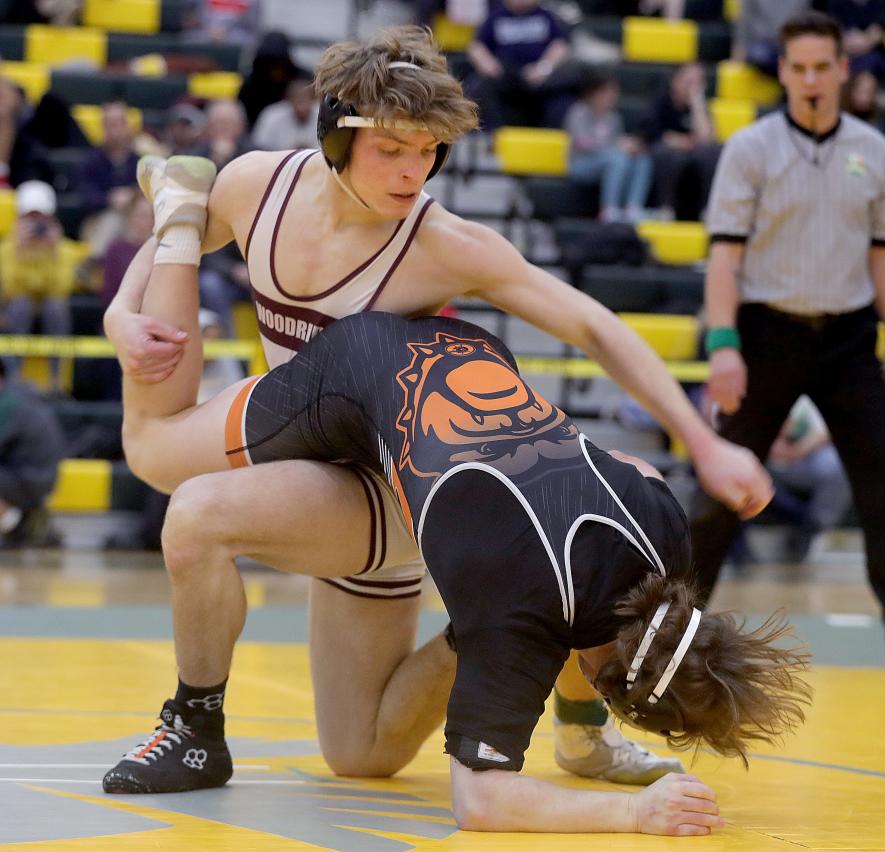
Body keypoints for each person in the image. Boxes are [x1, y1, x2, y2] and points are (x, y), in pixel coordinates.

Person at [102, 27, 773, 794]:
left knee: (186, 501)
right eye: (392, 149)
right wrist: (122, 316)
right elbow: (157, 259)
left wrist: (703, 442)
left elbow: (592, 324)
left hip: (394, 490)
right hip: (306, 456)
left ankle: (194, 730)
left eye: (428, 150)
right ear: (335, 134)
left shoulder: (442, 241)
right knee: (363, 754)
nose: (412, 171)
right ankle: (506, 629)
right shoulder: (258, 183)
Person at [104, 302, 811, 834]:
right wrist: (632, 818)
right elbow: (480, 801)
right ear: (607, 684)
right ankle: (195, 728)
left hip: (476, 361)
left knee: (363, 756)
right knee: (164, 470)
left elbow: (632, 469)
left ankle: (580, 730)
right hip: (353, 369)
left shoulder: (666, 534)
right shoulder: (523, 607)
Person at [689, 10, 885, 670]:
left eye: (822, 68)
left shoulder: (872, 150)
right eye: (798, 68)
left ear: (843, 71)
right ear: (783, 72)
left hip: (847, 338)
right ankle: (673, 630)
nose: (810, 80)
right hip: (765, 335)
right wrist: (723, 345)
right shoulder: (750, 149)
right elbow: (723, 256)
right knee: (726, 486)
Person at [0, 181, 76, 383]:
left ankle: (57, 382)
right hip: (16, 309)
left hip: (50, 307)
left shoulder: (64, 249)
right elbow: (11, 289)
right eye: (30, 218)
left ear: (51, 218)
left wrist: (53, 252)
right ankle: (13, 381)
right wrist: (21, 252)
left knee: (56, 307)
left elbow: (61, 289)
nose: (36, 224)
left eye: (40, 218)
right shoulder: (8, 249)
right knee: (20, 305)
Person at [466, 0, 576, 130]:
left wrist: (543, 68)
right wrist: (488, 64)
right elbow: (477, 46)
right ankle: (492, 136)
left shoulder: (545, 16)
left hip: (540, 77)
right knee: (478, 86)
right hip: (505, 75)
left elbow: (560, 45)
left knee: (565, 90)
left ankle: (554, 138)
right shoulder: (496, 16)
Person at [767, 395, 852, 563]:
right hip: (762, 460)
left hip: (804, 459)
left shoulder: (814, 392)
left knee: (836, 464)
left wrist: (799, 450)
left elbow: (827, 430)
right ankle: (739, 552)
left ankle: (815, 526)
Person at [564, 71, 653, 224]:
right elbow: (582, 143)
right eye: (606, 92)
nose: (611, 97)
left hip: (607, 160)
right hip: (581, 163)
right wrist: (615, 146)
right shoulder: (579, 112)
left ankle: (633, 208)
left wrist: (629, 146)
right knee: (617, 158)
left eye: (613, 93)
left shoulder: (613, 117)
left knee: (642, 159)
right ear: (594, 93)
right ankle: (609, 209)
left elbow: (617, 141)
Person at [0, 358, 65, 547]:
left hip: (30, 479)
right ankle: (26, 521)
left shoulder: (7, 403)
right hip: (41, 476)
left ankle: (13, 525)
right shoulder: (21, 395)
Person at [646, 63, 721, 221]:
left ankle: (708, 210)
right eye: (689, 82)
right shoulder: (661, 102)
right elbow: (656, 135)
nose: (694, 87)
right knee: (668, 154)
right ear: (675, 81)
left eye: (699, 82)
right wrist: (682, 141)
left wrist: (697, 103)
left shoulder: (700, 106)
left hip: (694, 157)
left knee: (712, 153)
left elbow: (707, 139)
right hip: (669, 156)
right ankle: (665, 209)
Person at [76, 101, 139, 260]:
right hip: (97, 222)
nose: (116, 130)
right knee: (113, 219)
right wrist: (110, 199)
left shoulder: (139, 161)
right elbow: (86, 197)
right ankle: (95, 262)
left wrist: (132, 197)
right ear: (103, 128)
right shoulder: (90, 161)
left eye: (119, 123)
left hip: (135, 221)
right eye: (110, 124)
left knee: (134, 223)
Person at [250, 73, 320, 152]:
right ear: (288, 99)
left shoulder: (323, 115)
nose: (301, 106)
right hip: (276, 162)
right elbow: (259, 147)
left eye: (305, 99)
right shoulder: (271, 115)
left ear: (314, 99)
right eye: (297, 99)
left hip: (316, 162)